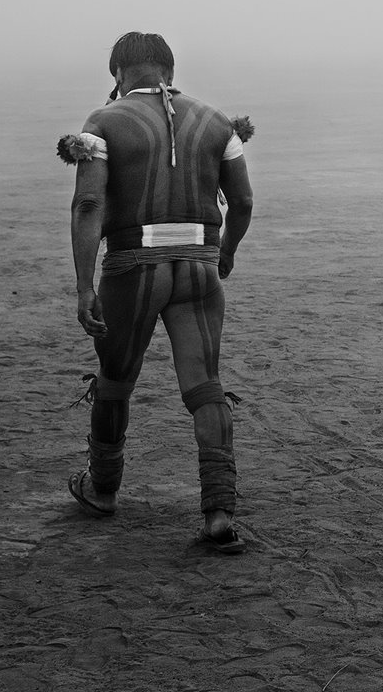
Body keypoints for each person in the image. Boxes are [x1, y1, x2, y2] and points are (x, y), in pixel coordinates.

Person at [56, 31, 255, 552]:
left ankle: (103, 491)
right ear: (169, 69)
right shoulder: (216, 122)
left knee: (117, 381)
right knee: (205, 385)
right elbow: (244, 201)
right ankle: (218, 513)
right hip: (198, 270)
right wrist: (226, 251)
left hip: (132, 270)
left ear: (118, 73)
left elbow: (88, 206)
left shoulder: (105, 122)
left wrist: (82, 286)